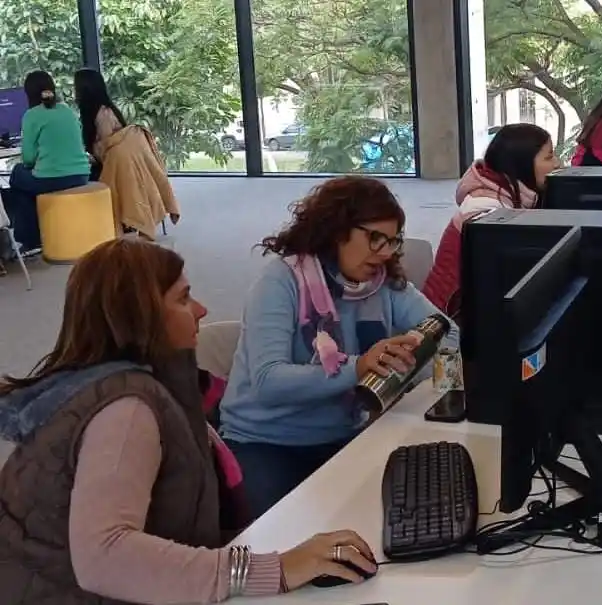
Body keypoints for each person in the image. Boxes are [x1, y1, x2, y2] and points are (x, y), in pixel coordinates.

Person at [0, 238, 377, 603]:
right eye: (183, 298)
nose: (201, 310)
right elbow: (104, 556)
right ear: (139, 317)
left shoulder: (128, 383)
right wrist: (269, 569)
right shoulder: (125, 411)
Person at [219, 175, 459, 520]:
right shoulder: (281, 282)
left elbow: (448, 335)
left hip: (347, 432)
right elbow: (268, 381)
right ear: (337, 229)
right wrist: (359, 369)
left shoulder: (383, 283)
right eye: (375, 238)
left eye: (392, 241)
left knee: (409, 512)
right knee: (284, 545)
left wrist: (403, 370)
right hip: (266, 441)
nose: (385, 252)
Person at [421, 123, 560, 317]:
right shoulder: (487, 212)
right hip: (447, 323)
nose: (557, 164)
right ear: (522, 162)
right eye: (549, 157)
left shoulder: (504, 196)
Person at [74, 68, 180, 239]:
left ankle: (103, 227)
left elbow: (107, 147)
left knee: (86, 181)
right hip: (125, 160)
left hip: (118, 163)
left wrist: (92, 155)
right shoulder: (107, 109)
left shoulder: (102, 114)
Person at [0, 71, 89, 255]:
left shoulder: (32, 115)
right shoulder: (67, 110)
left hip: (54, 178)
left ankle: (29, 238)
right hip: (81, 174)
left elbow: (28, 159)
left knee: (18, 175)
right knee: (26, 183)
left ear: (28, 93)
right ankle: (32, 234)